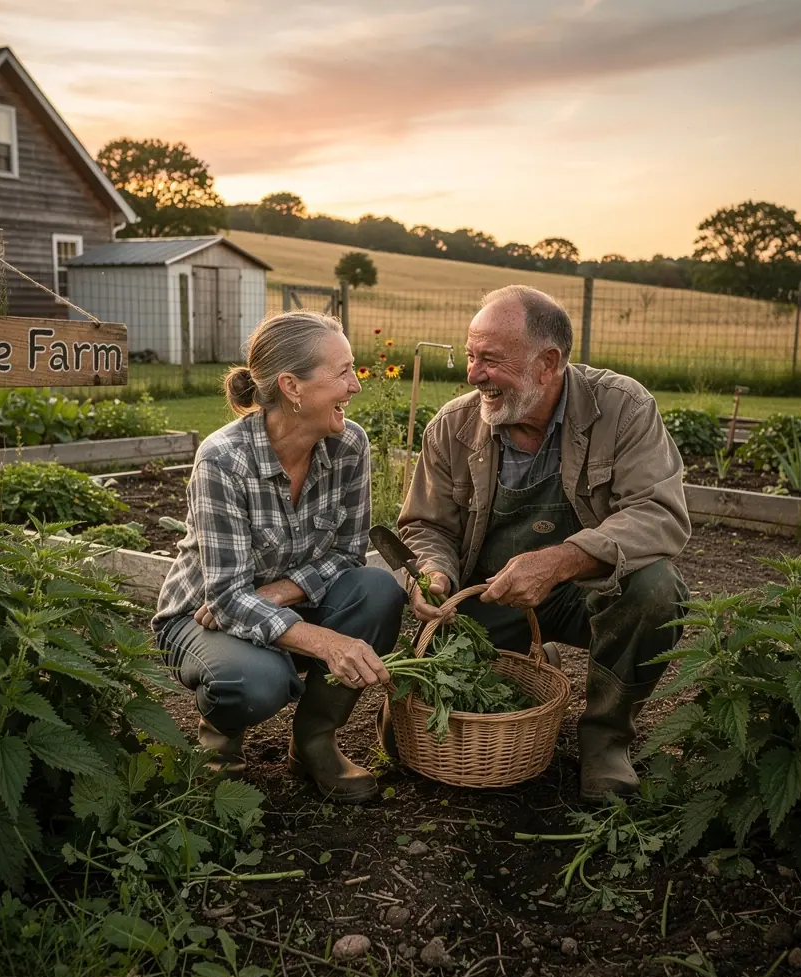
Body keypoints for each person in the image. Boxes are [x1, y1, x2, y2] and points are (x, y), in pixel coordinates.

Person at [395, 285, 691, 801]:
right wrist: (435, 572)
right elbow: (427, 526)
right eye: (470, 356)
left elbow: (658, 513)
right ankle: (536, 659)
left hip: (589, 591)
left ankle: (605, 741)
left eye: (489, 359)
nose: (472, 375)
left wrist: (561, 561)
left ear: (547, 363)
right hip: (491, 595)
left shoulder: (621, 408)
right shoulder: (453, 427)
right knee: (426, 717)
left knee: (657, 590)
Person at [153, 310, 406, 805]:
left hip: (276, 601)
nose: (355, 386)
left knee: (379, 592)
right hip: (199, 617)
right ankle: (219, 746)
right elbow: (224, 598)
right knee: (255, 681)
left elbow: (348, 553)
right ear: (292, 386)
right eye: (343, 372)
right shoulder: (223, 459)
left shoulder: (349, 445)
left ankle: (314, 741)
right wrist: (327, 642)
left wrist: (278, 593)